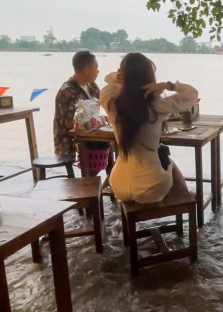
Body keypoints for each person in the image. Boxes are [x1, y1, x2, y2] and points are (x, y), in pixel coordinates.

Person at [100, 53, 198, 203]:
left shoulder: (112, 104)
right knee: (166, 158)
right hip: (150, 187)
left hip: (118, 185)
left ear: (123, 76)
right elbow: (192, 94)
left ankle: (185, 195)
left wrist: (116, 78)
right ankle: (186, 197)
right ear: (149, 77)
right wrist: (168, 85)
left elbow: (107, 81)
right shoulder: (158, 106)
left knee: (162, 156)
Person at [53, 51, 101, 156]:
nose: (98, 71)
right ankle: (90, 172)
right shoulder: (67, 92)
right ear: (86, 70)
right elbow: (70, 124)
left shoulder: (92, 86)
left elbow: (103, 104)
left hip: (91, 137)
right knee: (104, 144)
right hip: (70, 143)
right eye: (96, 68)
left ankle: (111, 171)